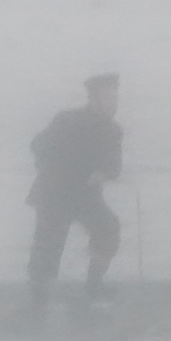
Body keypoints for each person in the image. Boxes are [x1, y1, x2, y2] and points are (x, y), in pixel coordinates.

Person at [27, 73, 123, 309]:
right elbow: (38, 146)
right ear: (93, 100)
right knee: (48, 245)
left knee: (109, 229)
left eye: (115, 98)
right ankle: (38, 300)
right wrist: (58, 169)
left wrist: (104, 173)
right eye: (108, 99)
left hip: (86, 195)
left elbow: (115, 166)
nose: (114, 104)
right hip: (54, 192)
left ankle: (94, 286)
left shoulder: (113, 130)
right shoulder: (67, 120)